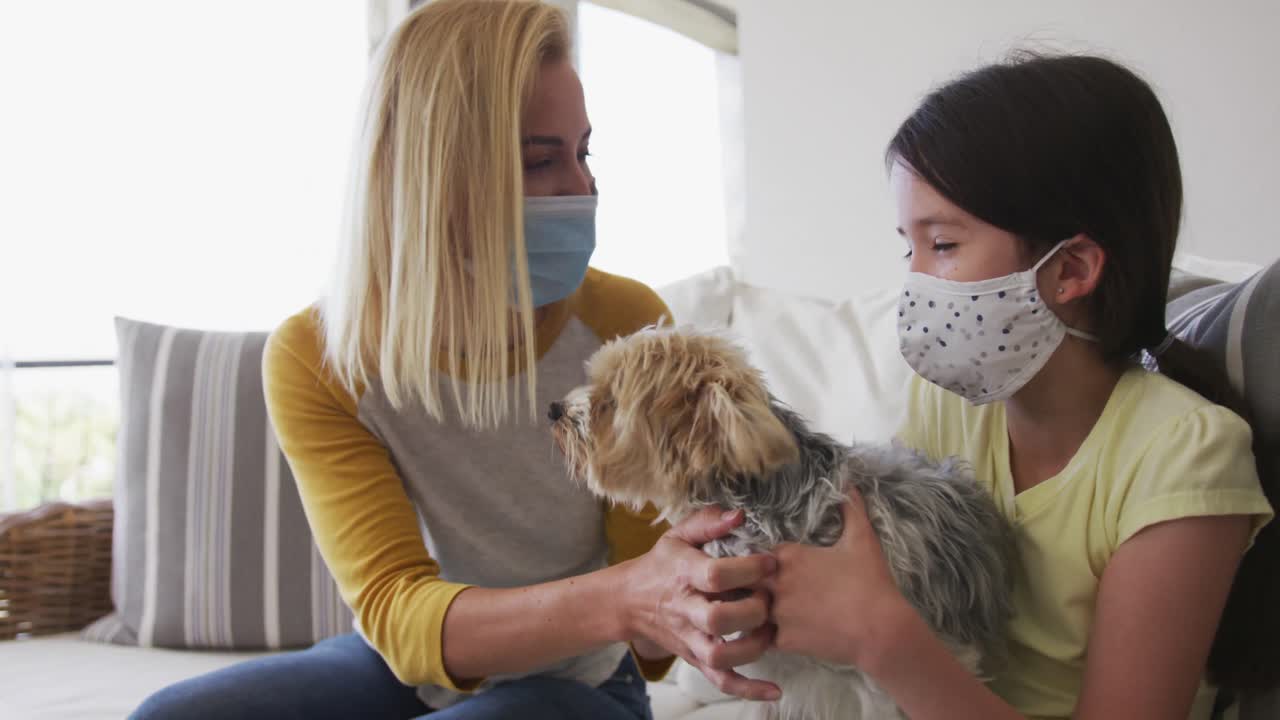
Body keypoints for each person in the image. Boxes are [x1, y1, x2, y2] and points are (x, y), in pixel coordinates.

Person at [130, 2, 778, 718]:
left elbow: (655, 641)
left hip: (579, 685)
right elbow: (399, 619)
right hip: (405, 674)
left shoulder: (623, 329)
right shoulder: (321, 359)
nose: (583, 188)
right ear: (433, 177)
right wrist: (626, 597)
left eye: (583, 152)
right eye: (540, 159)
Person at [762, 54, 1275, 720]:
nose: (913, 283)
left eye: (942, 244)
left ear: (1071, 270)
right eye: (907, 247)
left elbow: (886, 626)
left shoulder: (1186, 453)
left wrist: (882, 638)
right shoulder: (949, 404)